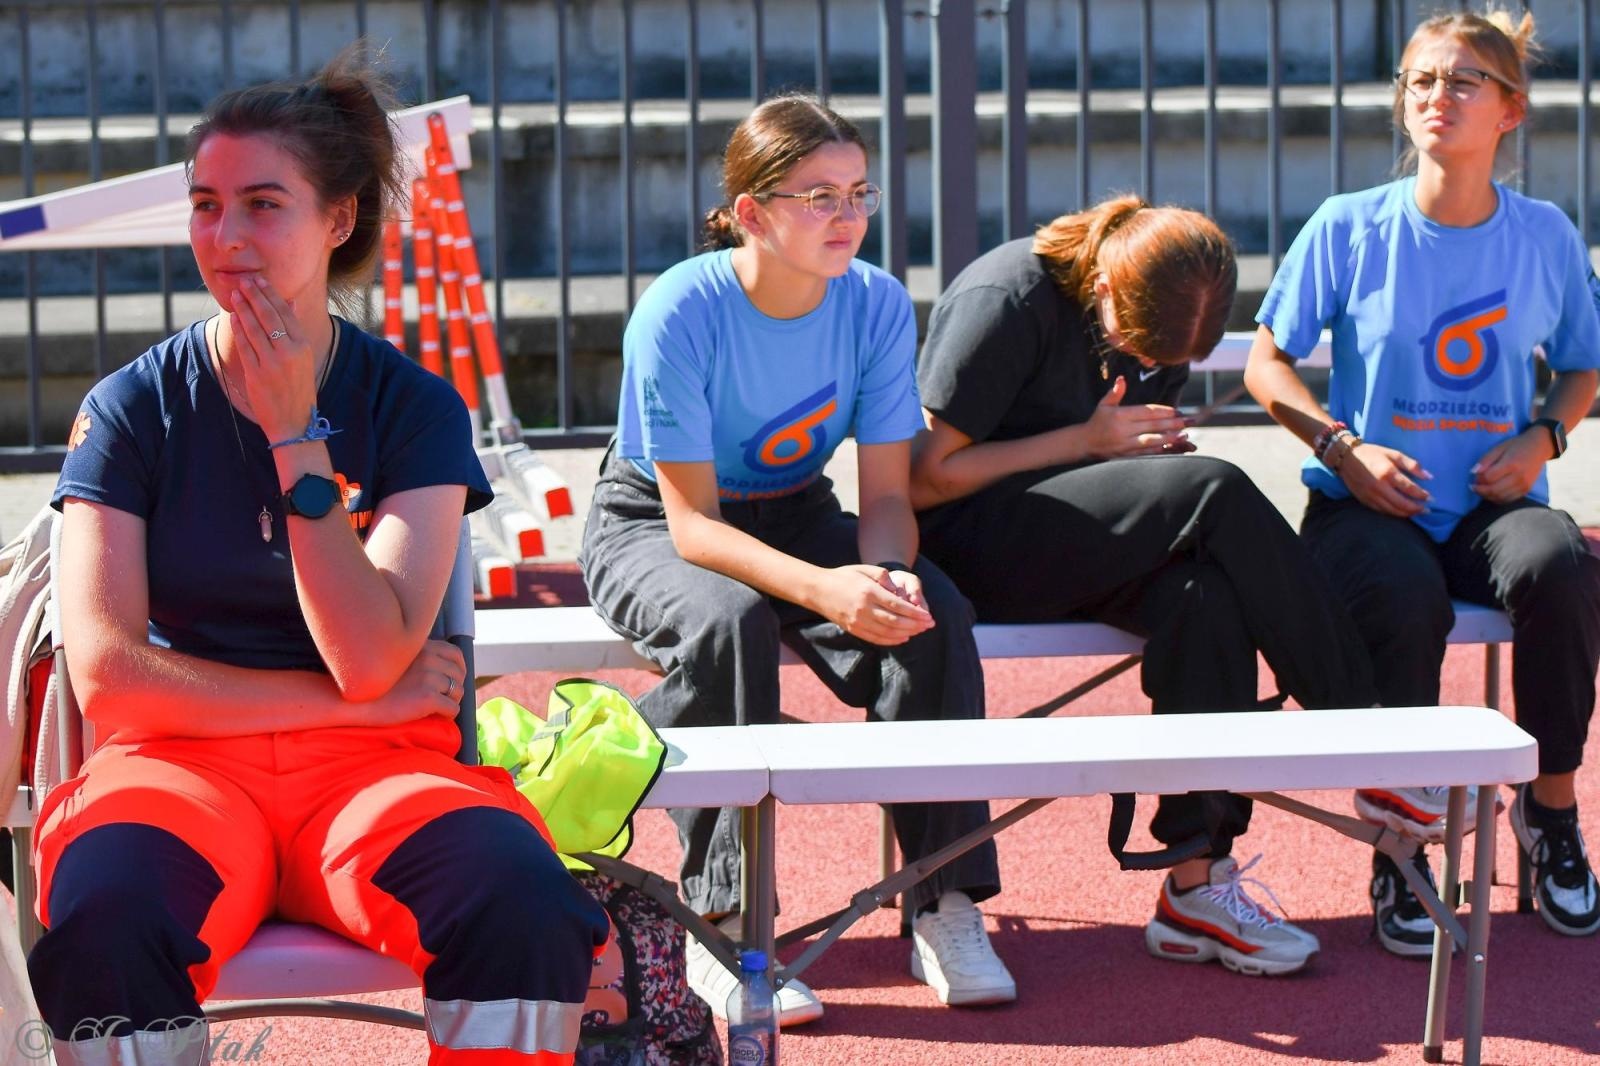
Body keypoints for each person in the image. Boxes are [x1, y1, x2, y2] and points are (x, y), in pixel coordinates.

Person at [28, 49, 608, 1065]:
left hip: (375, 775)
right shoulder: (130, 407)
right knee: (106, 923)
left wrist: (297, 438)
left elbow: (370, 656)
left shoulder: (414, 406)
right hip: (179, 764)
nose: (227, 237)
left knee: (521, 900)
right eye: (206, 206)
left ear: (338, 219)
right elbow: (110, 678)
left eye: (263, 205)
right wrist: (357, 706)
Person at [578, 93, 1014, 1024]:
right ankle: (724, 924)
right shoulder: (680, 309)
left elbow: (887, 498)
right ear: (752, 212)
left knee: (930, 615)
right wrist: (823, 589)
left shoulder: (877, 301)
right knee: (727, 622)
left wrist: (887, 578)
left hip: (797, 511)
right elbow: (694, 529)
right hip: (651, 520)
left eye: (859, 193)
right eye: (819, 197)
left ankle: (941, 900)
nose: (847, 216)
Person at [909, 194, 1377, 977]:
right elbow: (922, 478)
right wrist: (1085, 442)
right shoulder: (1006, 298)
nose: (1148, 360)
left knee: (1207, 598)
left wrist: (1137, 462)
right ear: (1103, 288)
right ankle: (1371, 733)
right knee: (1215, 490)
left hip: (1072, 537)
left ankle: (1197, 882)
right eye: (1137, 342)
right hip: (968, 544)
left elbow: (1114, 461)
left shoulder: (1165, 310)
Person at [1248, 6, 1600, 950]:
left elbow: (1583, 366)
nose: (1439, 95)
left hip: (1491, 508)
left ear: (1510, 110)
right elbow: (1267, 364)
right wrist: (1342, 449)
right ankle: (1402, 843)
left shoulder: (1545, 235)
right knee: (1403, 596)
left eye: (1464, 80)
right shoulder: (1348, 225)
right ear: (1403, 103)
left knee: (1563, 564)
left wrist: (1544, 438)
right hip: (1367, 507)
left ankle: (1551, 814)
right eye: (1422, 80)